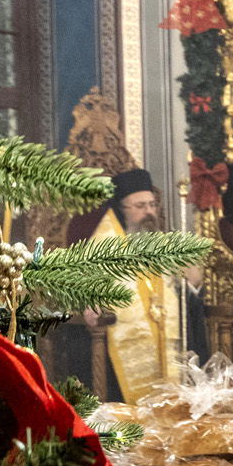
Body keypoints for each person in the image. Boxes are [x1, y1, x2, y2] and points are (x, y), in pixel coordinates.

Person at [82, 168, 200, 401]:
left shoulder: (165, 245)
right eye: (140, 206)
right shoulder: (102, 247)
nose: (149, 212)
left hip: (170, 347)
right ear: (121, 210)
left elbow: (191, 287)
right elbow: (85, 287)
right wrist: (90, 302)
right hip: (118, 353)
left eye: (152, 205)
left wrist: (192, 278)